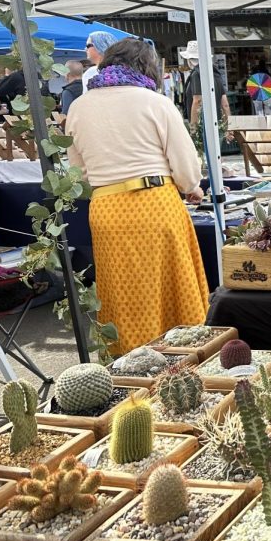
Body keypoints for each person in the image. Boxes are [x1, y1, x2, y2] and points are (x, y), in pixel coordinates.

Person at [65, 39, 209, 353]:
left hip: (107, 209)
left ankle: (128, 364)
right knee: (171, 290)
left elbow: (79, 174)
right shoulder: (154, 102)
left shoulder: (78, 107)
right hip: (154, 204)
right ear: (147, 67)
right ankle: (181, 359)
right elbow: (186, 169)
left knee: (122, 294)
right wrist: (191, 188)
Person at [181, 40, 231, 132]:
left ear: (189, 60)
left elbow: (197, 101)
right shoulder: (215, 73)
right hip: (217, 126)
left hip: (202, 128)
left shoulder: (196, 74)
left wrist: (193, 129)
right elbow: (225, 104)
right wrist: (229, 128)